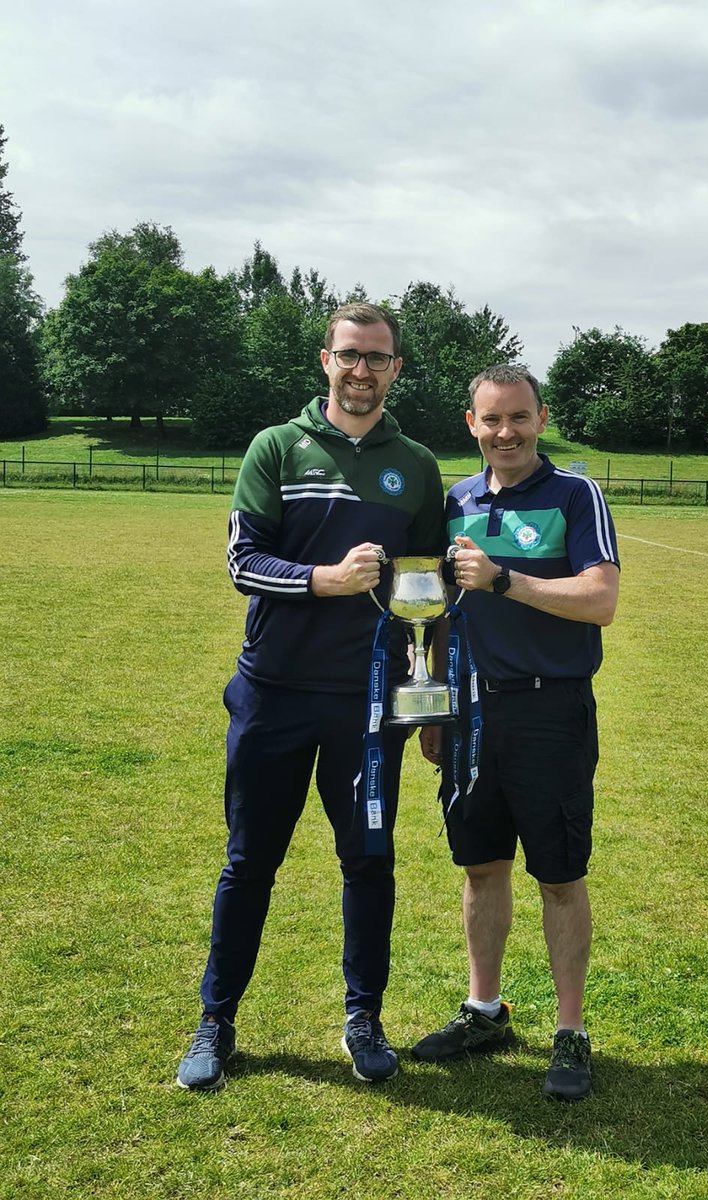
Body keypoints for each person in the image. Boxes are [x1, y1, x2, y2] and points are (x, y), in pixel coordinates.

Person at [177, 302, 444, 1090]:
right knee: (248, 863)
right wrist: (323, 581)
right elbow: (241, 561)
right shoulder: (276, 447)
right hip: (273, 695)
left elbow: (426, 586)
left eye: (378, 358)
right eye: (350, 355)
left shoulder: (418, 465)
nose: (363, 371)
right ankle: (216, 1021)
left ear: (396, 369)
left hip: (368, 706)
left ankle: (364, 1017)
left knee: (369, 862)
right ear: (325, 361)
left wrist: (428, 692)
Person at [413, 364, 619, 1101]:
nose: (505, 433)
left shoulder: (574, 494)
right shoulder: (457, 500)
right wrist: (436, 704)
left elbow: (600, 599)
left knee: (558, 876)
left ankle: (570, 1030)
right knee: (480, 865)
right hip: (468, 712)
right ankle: (484, 1009)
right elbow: (436, 611)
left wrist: (508, 580)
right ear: (471, 424)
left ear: (541, 418)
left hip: (549, 710)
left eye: (519, 418)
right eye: (491, 420)